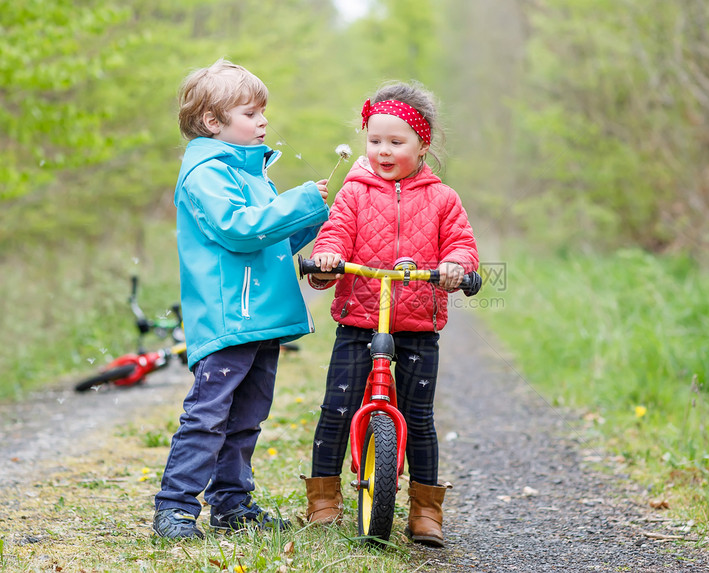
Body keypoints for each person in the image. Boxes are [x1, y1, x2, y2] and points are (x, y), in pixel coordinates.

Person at [152, 59, 330, 540]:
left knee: (247, 418)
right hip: (230, 316)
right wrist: (300, 202)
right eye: (251, 113)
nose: (263, 122)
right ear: (213, 122)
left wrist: (311, 220)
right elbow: (240, 230)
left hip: (260, 316)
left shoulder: (250, 173)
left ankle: (232, 504)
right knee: (208, 416)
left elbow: (268, 245)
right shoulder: (207, 174)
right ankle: (175, 507)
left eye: (263, 112)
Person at [302, 80, 479, 547]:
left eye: (396, 142)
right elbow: (335, 234)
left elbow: (461, 244)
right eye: (374, 140)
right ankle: (323, 499)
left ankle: (425, 510)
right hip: (360, 319)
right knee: (338, 407)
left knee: (418, 416)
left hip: (419, 323)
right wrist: (327, 260)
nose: (383, 151)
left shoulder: (443, 198)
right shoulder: (354, 193)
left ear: (422, 145)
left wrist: (456, 267)